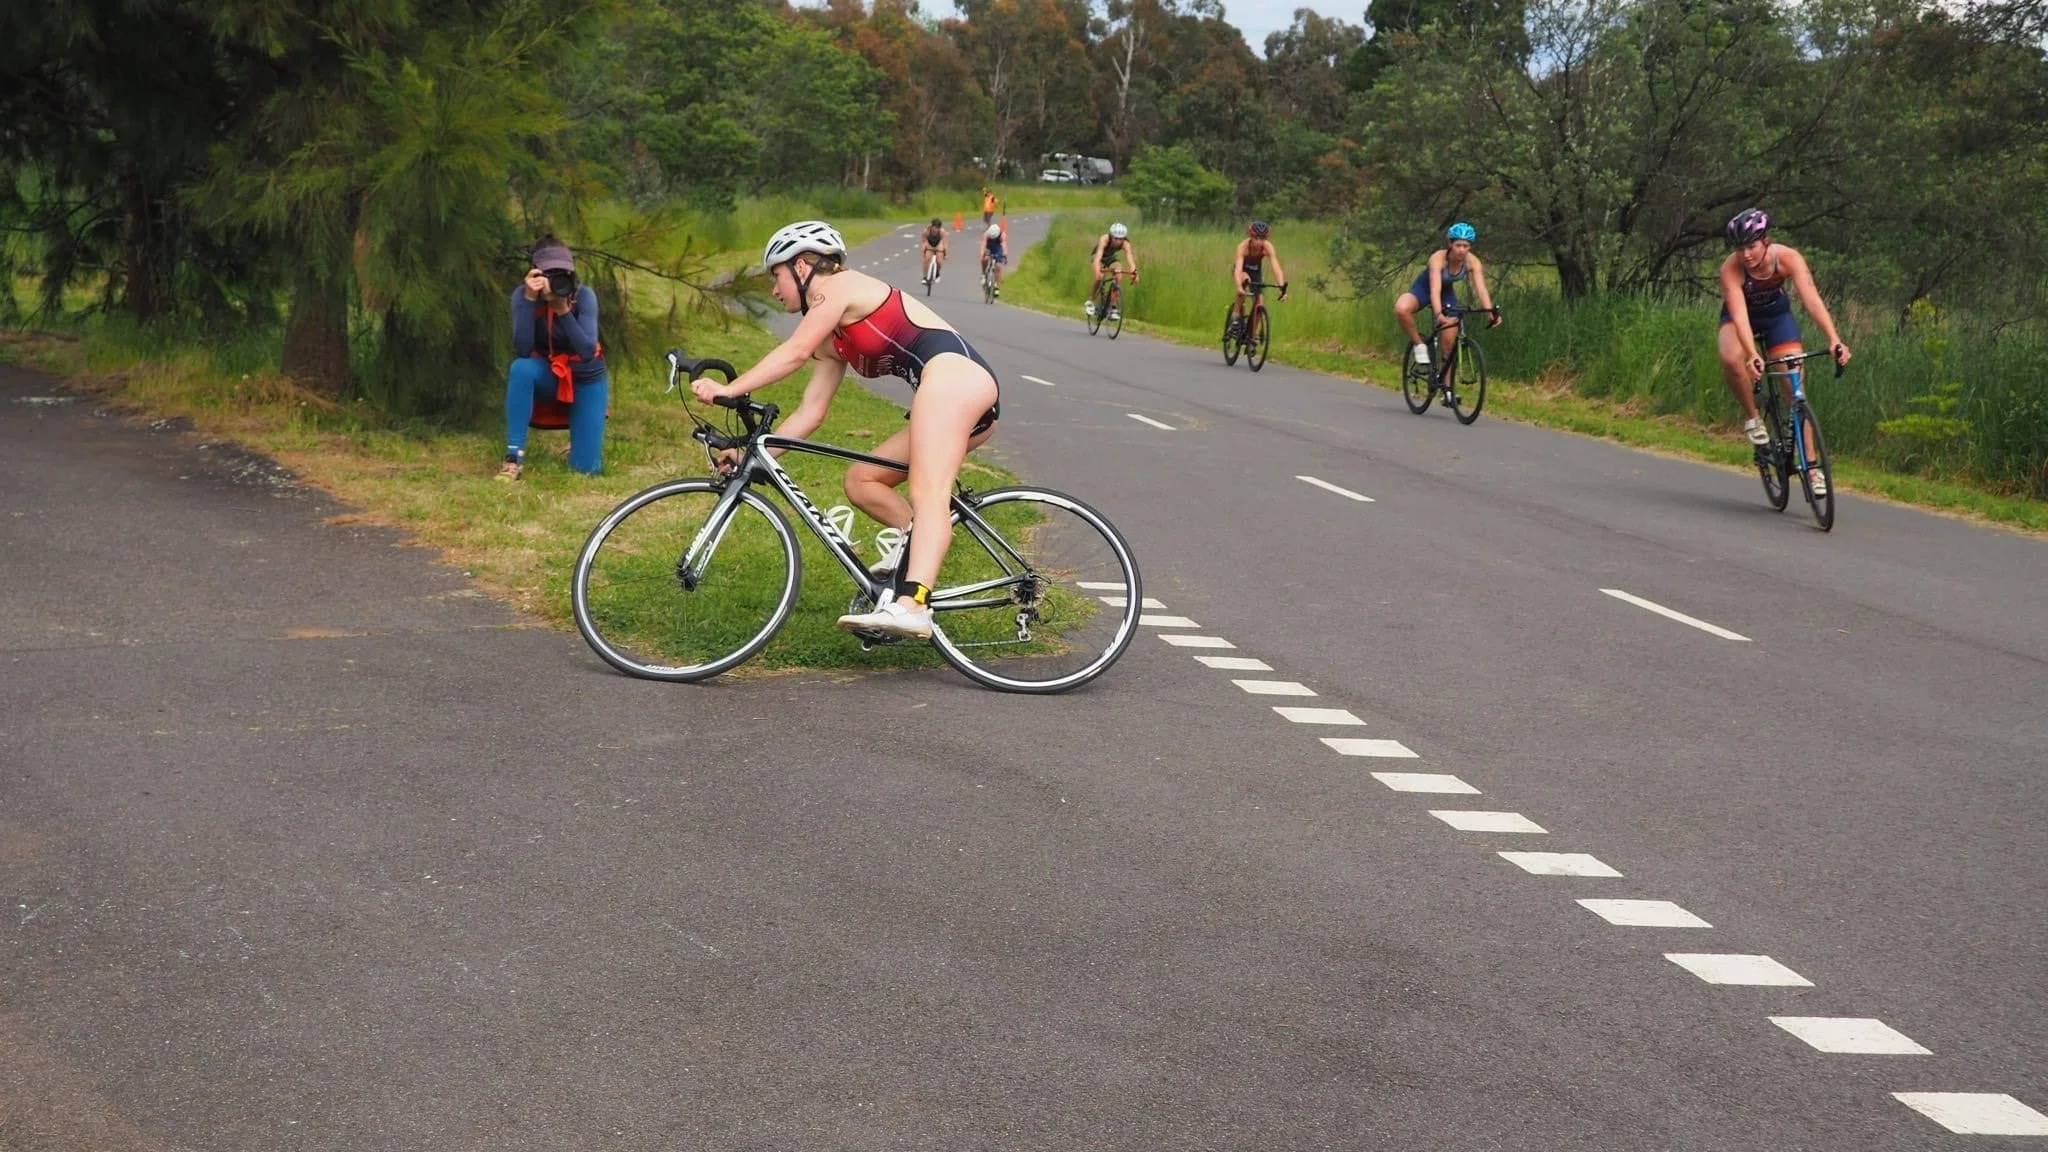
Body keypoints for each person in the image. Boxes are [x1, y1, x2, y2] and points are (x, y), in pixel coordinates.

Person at [689, 221, 1001, 640]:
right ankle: (912, 556)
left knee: (929, 492)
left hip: (955, 380)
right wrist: (748, 456)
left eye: (776, 276)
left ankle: (913, 605)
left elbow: (794, 352)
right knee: (862, 480)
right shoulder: (833, 338)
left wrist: (729, 389)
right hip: (946, 391)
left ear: (802, 266)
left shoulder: (839, 287)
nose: (774, 289)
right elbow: (811, 413)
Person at [1717, 207, 1851, 486]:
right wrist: (1751, 354)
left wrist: (1834, 338)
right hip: (1740, 317)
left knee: (1795, 386)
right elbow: (1740, 316)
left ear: (1766, 241)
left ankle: (1811, 467)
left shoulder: (1788, 258)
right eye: (1740, 249)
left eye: (1752, 247)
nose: (1746, 255)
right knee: (1731, 357)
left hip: (1776, 317)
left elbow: (1811, 298)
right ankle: (1754, 419)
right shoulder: (1731, 269)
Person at [500, 235, 606, 480]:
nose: (554, 281)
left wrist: (563, 312)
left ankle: (580, 446)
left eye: (561, 274)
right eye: (548, 274)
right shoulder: (523, 296)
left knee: (587, 470)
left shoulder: (584, 296)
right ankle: (514, 457)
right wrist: (529, 300)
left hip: (586, 378)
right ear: (535, 273)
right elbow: (523, 349)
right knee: (521, 368)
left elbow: (587, 352)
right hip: (548, 373)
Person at [1394, 222, 1499, 383]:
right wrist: (1439, 314)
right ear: (1450, 244)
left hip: (1447, 295)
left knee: (1449, 347)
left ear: (1470, 246)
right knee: (1401, 308)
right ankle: (1419, 345)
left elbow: (1482, 290)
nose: (1462, 250)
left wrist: (1490, 312)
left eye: (1466, 246)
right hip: (1424, 289)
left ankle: (1448, 389)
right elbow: (1435, 289)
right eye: (1458, 245)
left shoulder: (1473, 262)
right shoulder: (1438, 258)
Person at [1227, 221, 1288, 340]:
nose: (1259, 242)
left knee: (1260, 302)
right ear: (1251, 236)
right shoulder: (1243, 247)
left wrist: (1282, 288)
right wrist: (1239, 287)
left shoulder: (1268, 247)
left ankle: (1251, 335)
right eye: (1256, 238)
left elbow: (1276, 267)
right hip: (1242, 270)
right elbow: (1238, 269)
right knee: (1245, 280)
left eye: (1262, 238)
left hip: (1255, 271)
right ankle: (1235, 319)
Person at [1085, 222, 1138, 321]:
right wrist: (1097, 270)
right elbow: (1098, 256)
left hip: (1111, 257)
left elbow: (1130, 257)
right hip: (1098, 257)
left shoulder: (1126, 243)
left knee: (1119, 275)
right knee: (1099, 277)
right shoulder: (1104, 239)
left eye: (1121, 239)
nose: (1118, 241)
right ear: (1111, 236)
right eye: (1116, 238)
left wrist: (1134, 272)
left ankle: (1113, 308)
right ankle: (1091, 301)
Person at [981, 223, 1007, 297]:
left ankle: (997, 287)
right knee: (985, 259)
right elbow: (983, 244)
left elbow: (1004, 245)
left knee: (998, 266)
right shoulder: (986, 234)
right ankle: (984, 274)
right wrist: (982, 254)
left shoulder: (1002, 235)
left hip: (997, 248)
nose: (993, 238)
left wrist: (1005, 255)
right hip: (988, 247)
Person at [920, 217, 949, 283]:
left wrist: (945, 254)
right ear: (932, 226)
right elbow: (924, 242)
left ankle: (937, 274)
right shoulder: (926, 231)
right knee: (927, 259)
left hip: (938, 243)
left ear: (939, 228)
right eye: (934, 227)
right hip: (929, 243)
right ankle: (925, 277)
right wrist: (923, 252)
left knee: (939, 261)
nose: (935, 230)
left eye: (937, 228)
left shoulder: (942, 232)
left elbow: (945, 243)